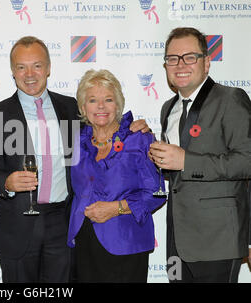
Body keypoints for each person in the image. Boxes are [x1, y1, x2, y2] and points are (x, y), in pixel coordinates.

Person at [0, 36, 150, 283]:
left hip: (63, 224)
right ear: (12, 71)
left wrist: (136, 127)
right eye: (21, 67)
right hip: (18, 226)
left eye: (37, 65)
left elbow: (104, 123)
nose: (30, 74)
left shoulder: (70, 108)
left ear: (49, 68)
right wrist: (6, 183)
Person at [149, 27, 251, 283]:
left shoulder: (231, 99)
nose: (180, 64)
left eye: (189, 57)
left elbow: (247, 161)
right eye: (173, 58)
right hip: (176, 240)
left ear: (206, 63)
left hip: (217, 239)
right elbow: (175, 173)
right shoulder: (168, 108)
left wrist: (186, 161)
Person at [67, 69, 165, 282]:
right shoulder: (76, 142)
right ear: (83, 107)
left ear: (118, 105)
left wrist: (115, 208)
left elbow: (156, 194)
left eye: (108, 99)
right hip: (84, 242)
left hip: (126, 244)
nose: (100, 106)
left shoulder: (139, 139)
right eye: (92, 100)